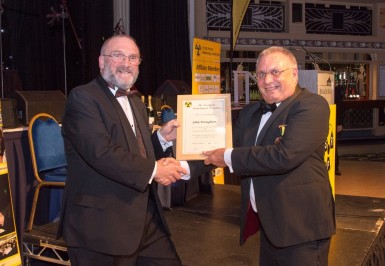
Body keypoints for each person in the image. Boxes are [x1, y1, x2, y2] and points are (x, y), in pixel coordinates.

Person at [60, 34, 190, 266]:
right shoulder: (82, 98)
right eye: (118, 55)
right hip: (102, 225)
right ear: (101, 62)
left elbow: (136, 150)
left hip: (146, 220)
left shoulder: (137, 103)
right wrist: (154, 170)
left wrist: (161, 138)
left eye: (133, 58)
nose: (126, 63)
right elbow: (102, 153)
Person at [203, 46, 336, 265]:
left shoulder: (312, 105)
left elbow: (283, 156)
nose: (267, 80)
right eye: (262, 74)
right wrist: (184, 160)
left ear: (294, 74)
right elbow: (221, 148)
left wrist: (228, 157)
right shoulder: (250, 112)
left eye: (276, 72)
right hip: (269, 224)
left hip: (302, 228)